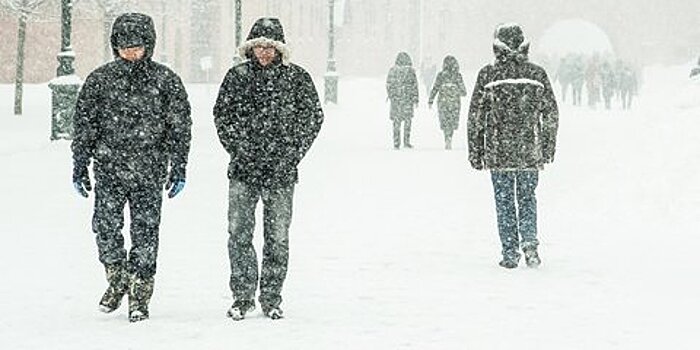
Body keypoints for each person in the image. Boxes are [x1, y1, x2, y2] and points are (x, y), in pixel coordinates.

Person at [71, 13, 192, 322]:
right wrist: (80, 165)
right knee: (105, 227)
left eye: (136, 46)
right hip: (109, 170)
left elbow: (179, 128)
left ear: (148, 45)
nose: (130, 52)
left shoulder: (165, 81)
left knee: (146, 233)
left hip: (150, 172)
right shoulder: (99, 80)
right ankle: (117, 278)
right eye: (124, 46)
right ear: (116, 46)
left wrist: (178, 167)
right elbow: (84, 126)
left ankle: (140, 293)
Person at [213, 17, 324, 321]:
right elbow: (222, 116)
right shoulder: (236, 77)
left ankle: (271, 297)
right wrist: (239, 148)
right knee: (239, 234)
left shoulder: (296, 78)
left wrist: (292, 153)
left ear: (279, 49)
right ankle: (243, 295)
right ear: (251, 48)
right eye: (259, 46)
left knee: (277, 237)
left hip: (281, 172)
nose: (264, 51)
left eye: (269, 46)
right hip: (243, 170)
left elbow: (313, 117)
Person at [467, 23, 559, 269]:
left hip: (499, 152)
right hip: (529, 150)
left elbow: (476, 116)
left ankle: (510, 251)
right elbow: (551, 113)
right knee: (528, 197)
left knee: (504, 199)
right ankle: (530, 243)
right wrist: (548, 147)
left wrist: (476, 151)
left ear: (497, 46)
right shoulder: (537, 75)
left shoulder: (488, 75)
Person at [428, 55, 467, 149]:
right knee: (452, 120)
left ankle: (446, 137)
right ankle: (450, 137)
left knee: (445, 120)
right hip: (455, 102)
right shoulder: (457, 75)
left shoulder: (441, 75)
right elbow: (464, 92)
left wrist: (431, 100)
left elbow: (435, 87)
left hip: (443, 101)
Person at [386, 52, 419, 149]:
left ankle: (396, 142)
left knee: (396, 122)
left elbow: (388, 84)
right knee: (407, 121)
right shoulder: (410, 71)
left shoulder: (392, 71)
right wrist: (415, 98)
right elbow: (414, 86)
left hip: (396, 100)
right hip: (407, 99)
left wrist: (392, 95)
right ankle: (406, 141)